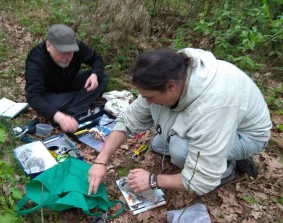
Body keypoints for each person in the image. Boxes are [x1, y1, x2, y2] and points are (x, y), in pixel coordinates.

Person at [88, 48, 271, 196]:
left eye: (150, 97)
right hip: (219, 123)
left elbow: (200, 181)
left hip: (247, 135)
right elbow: (128, 120)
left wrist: (152, 180)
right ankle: (219, 155)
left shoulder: (213, 106)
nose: (147, 102)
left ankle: (226, 170)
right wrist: (100, 162)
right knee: (160, 144)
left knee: (179, 151)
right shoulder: (172, 71)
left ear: (171, 87)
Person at [25, 24, 108, 132]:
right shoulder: (36, 59)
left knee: (102, 77)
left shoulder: (78, 46)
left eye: (70, 51)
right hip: (49, 94)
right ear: (49, 45)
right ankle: (70, 110)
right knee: (53, 105)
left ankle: (72, 113)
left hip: (69, 82)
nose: (67, 57)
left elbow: (96, 59)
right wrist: (59, 117)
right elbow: (33, 96)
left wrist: (95, 75)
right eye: (62, 52)